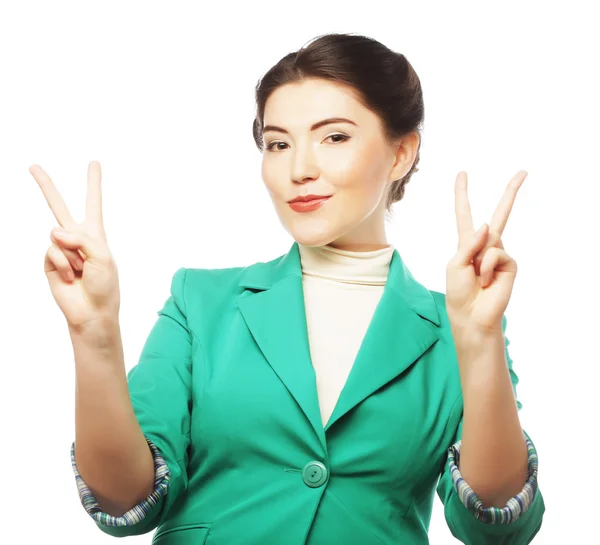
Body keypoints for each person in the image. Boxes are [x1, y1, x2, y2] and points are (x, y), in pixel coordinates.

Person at [32, 33, 545, 545]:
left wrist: (478, 344)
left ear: (401, 154)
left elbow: (497, 524)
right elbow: (125, 499)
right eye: (278, 144)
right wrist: (93, 333)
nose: (299, 170)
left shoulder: (458, 327)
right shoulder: (200, 304)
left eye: (335, 138)